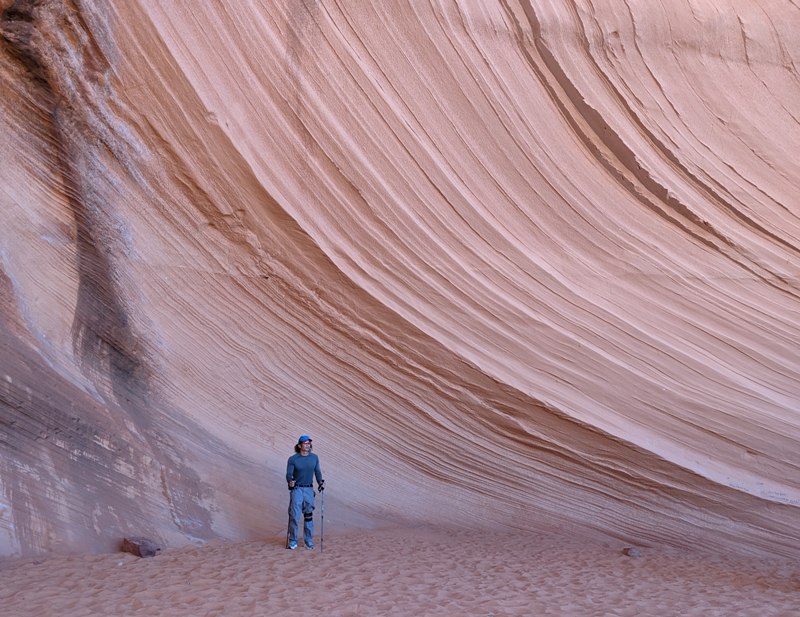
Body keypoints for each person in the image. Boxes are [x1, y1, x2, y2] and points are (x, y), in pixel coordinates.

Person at [285, 435, 324, 550]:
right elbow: (288, 474)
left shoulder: (314, 458)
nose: (307, 445)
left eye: (309, 443)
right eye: (305, 443)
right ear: (299, 445)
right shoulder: (293, 459)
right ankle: (293, 541)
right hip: (297, 489)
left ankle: (308, 541)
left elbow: (317, 472)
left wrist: (320, 482)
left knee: (308, 516)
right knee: (295, 516)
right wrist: (290, 481)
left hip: (308, 489)